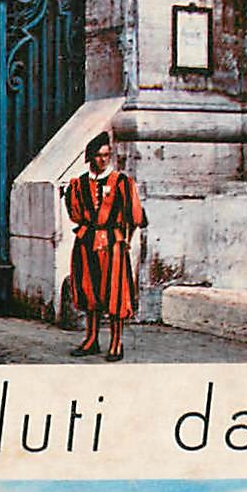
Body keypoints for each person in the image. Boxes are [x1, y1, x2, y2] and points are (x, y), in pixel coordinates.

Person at [65, 132, 147, 362]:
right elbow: (75, 213)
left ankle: (116, 343)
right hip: (87, 243)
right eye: (99, 156)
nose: (103, 160)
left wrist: (126, 240)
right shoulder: (79, 183)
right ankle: (91, 340)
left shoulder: (122, 182)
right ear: (91, 157)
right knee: (89, 290)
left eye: (106, 155)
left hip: (113, 244)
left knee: (115, 293)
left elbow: (134, 216)